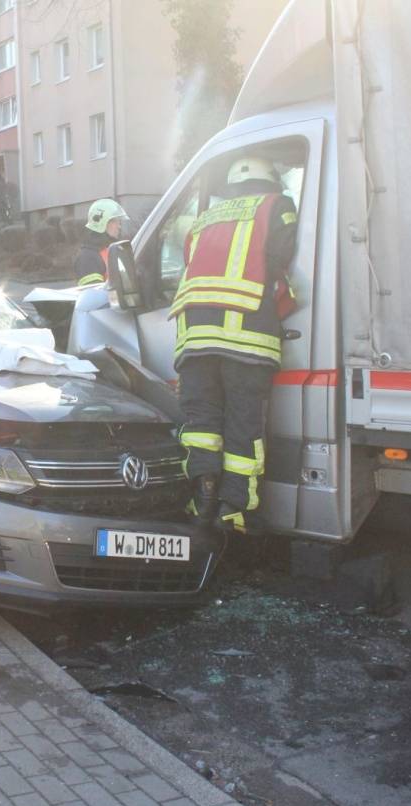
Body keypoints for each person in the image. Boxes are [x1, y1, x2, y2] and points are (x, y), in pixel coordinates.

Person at [170, 156, 298, 531]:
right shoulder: (277, 205)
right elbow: (284, 254)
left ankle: (203, 498)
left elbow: (191, 262)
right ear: (270, 181)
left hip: (195, 337)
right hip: (246, 336)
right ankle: (234, 511)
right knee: (243, 426)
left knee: (201, 423)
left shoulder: (206, 217)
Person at [75, 198, 127, 287]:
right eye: (115, 221)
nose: (119, 226)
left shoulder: (111, 249)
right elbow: (95, 292)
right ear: (102, 223)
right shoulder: (88, 257)